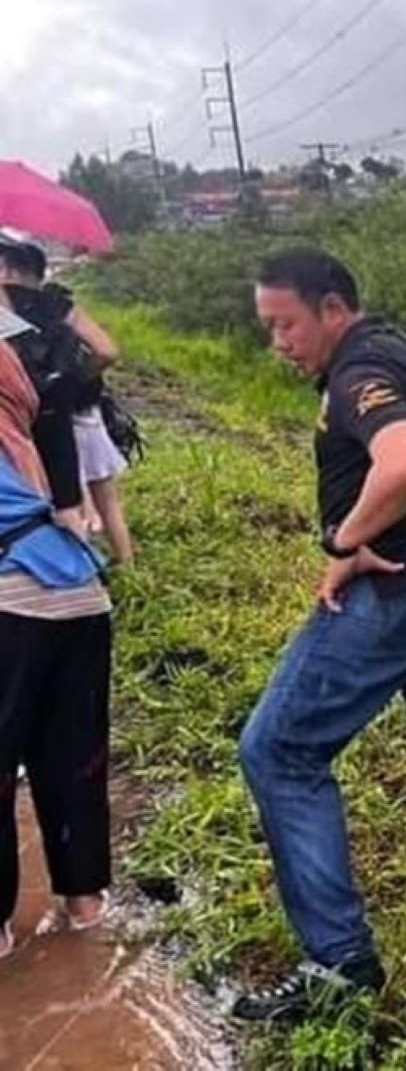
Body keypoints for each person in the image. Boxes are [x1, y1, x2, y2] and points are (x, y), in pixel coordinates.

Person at [233, 248, 406, 1021]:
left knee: (277, 751)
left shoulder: (355, 374)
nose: (278, 341)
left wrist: (346, 543)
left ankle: (340, 964)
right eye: (268, 326)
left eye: (285, 323)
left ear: (333, 309)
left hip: (404, 585)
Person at [0, 293, 113, 962]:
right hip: (81, 596)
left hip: (11, 603)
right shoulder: (31, 417)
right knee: (75, 763)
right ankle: (85, 918)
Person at [0, 239, 131, 564]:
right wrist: (72, 382)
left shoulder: (4, 304)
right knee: (69, 499)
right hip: (56, 408)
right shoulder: (57, 304)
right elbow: (106, 351)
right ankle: (87, 574)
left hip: (13, 413)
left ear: (7, 269)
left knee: (22, 496)